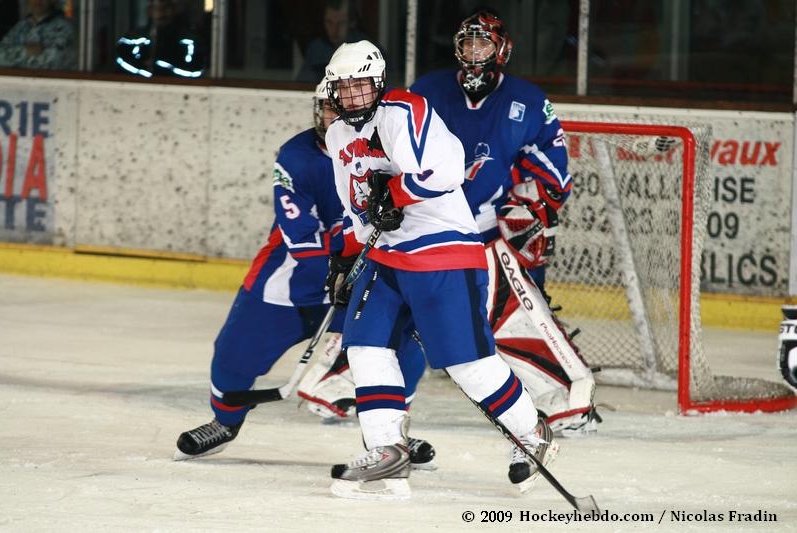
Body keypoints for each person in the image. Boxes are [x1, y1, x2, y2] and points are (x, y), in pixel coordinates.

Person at [301, 9, 597, 492]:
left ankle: (532, 431)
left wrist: (395, 193)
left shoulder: (403, 110)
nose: (354, 97)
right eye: (344, 89)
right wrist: (346, 255)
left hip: (444, 251)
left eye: (362, 86)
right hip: (386, 258)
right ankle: (387, 448)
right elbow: (356, 207)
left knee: (467, 364)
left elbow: (447, 169)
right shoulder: (338, 136)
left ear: (378, 84)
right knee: (366, 346)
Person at [173, 79, 435, 470]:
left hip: (368, 276)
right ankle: (224, 422)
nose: (336, 116)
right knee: (232, 357)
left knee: (404, 347)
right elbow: (301, 235)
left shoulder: (390, 150)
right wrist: (337, 273)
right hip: (293, 281)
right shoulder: (297, 157)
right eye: (329, 107)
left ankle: (390, 433)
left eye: (343, 105)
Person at [116, 0, 205, 78]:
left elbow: (195, 73)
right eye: (155, 7)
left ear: (174, 9)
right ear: (149, 10)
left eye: (166, 7)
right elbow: (120, 67)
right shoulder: (132, 38)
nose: (160, 12)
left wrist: (161, 65)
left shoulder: (189, 40)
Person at [295, 0, 367, 83]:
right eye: (329, 22)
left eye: (341, 23)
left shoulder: (366, 49)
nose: (334, 30)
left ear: (352, 22)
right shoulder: (316, 49)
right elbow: (302, 84)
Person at [0, 0, 76, 70]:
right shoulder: (21, 26)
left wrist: (13, 56)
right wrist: (25, 51)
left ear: (52, 0)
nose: (37, 1)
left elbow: (51, 63)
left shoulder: (64, 27)